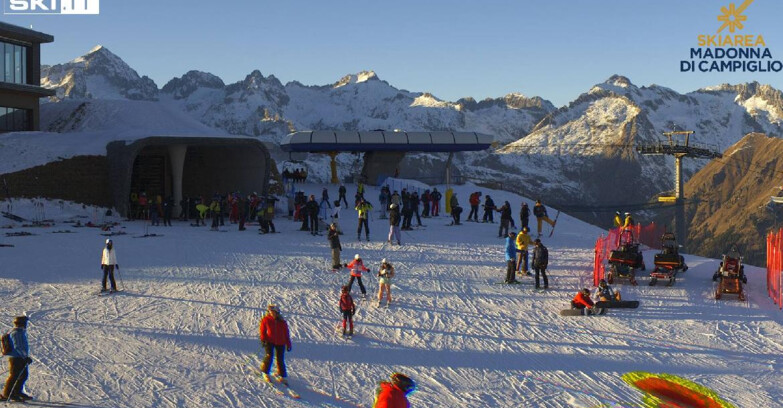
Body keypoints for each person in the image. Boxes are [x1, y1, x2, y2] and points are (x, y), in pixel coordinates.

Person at [259, 305, 292, 384]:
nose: (272, 314)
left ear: (277, 313)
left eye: (273, 312)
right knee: (269, 355)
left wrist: (288, 344)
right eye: (270, 312)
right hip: (269, 341)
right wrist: (263, 339)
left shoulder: (282, 322)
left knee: (280, 359)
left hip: (281, 342)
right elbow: (262, 330)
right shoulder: (266, 320)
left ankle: (282, 375)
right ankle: (265, 372)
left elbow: (286, 333)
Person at [1, 316, 32, 401]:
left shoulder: (20, 332)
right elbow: (18, 346)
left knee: (23, 375)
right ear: (21, 323)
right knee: (14, 376)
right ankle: (7, 394)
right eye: (25, 323)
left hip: (20, 357)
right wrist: (25, 357)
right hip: (16, 358)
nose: (26, 325)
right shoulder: (16, 333)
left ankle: (17, 391)